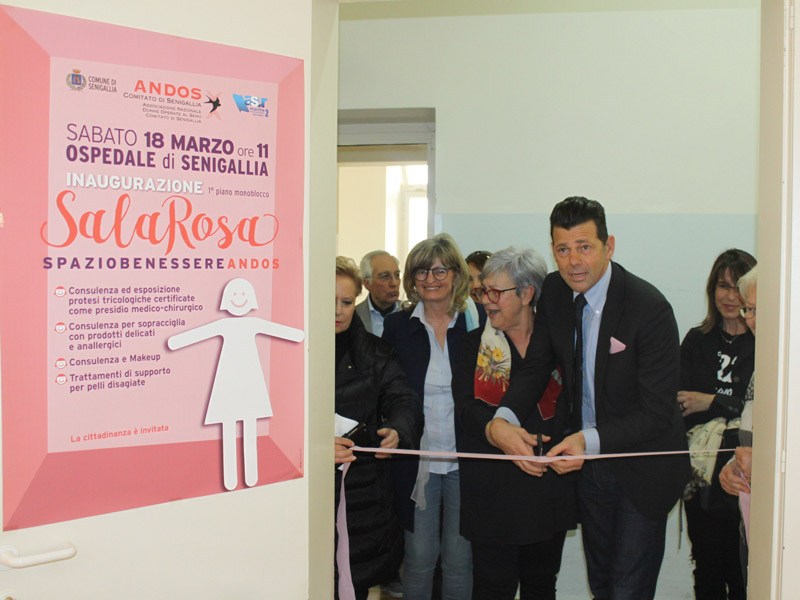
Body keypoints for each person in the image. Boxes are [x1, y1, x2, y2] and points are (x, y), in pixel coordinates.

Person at [487, 197, 690, 600]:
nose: (574, 261)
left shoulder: (648, 308)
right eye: (563, 249)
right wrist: (502, 419)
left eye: (584, 247)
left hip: (641, 468)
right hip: (588, 467)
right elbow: (537, 365)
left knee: (627, 590)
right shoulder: (555, 292)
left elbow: (656, 412)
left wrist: (586, 439)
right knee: (602, 586)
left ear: (608, 246)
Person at [453, 246, 576, 600]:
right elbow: (466, 410)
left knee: (541, 586)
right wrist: (496, 430)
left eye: (495, 292)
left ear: (526, 294)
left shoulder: (559, 345)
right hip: (493, 493)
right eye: (483, 291)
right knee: (493, 588)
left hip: (546, 492)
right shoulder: (472, 347)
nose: (486, 301)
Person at [382, 233, 485, 600]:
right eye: (422, 271)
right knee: (419, 557)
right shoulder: (397, 327)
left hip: (465, 459)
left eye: (440, 270)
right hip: (417, 461)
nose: (430, 279)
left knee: (459, 560)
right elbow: (388, 392)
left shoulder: (477, 323)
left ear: (456, 275)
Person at [333, 256, 424, 600]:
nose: (338, 311)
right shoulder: (290, 351)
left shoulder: (377, 353)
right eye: (330, 301)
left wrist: (398, 428)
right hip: (308, 491)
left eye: (346, 302)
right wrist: (314, 448)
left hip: (364, 492)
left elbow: (403, 398)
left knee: (354, 584)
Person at [679, 249, 756, 600]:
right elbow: (681, 402)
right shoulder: (697, 340)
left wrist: (711, 401)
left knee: (743, 569)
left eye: (738, 287)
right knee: (707, 567)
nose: (730, 296)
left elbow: (761, 408)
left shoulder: (766, 343)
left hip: (746, 471)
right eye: (722, 286)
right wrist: (723, 405)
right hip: (701, 475)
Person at [719, 266, 757, 587]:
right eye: (749, 310)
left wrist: (765, 470)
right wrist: (734, 465)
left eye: (757, 309)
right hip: (754, 526)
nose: (751, 319)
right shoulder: (766, 366)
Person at [356, 250, 402, 336]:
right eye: (385, 277)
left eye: (397, 275)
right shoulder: (353, 317)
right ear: (367, 283)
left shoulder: (412, 314)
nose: (394, 283)